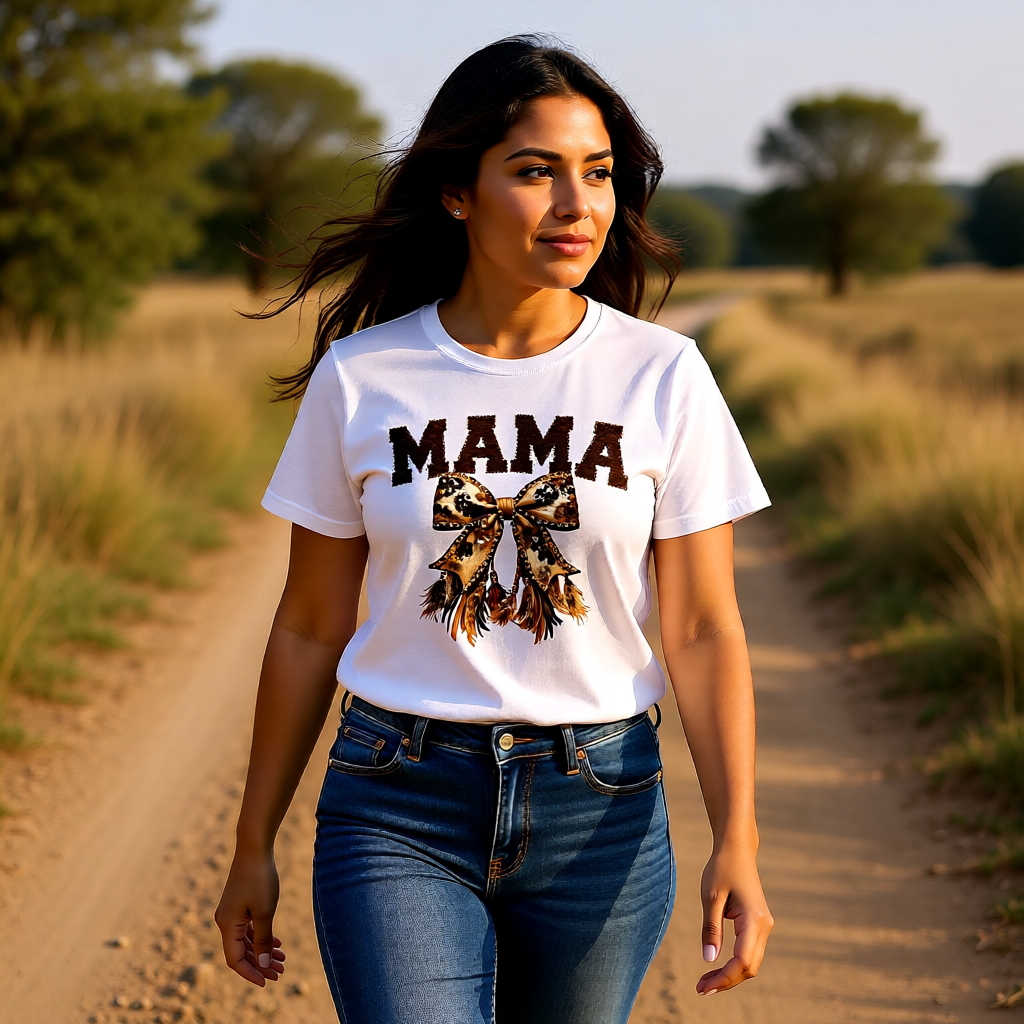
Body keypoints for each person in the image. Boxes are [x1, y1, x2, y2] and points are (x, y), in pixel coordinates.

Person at [215, 34, 774, 1024]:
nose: (577, 204)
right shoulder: (363, 377)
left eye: (596, 174)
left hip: (599, 801)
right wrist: (251, 836)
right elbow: (308, 624)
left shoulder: (662, 374)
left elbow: (700, 627)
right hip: (397, 800)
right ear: (456, 193)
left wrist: (739, 835)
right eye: (535, 172)